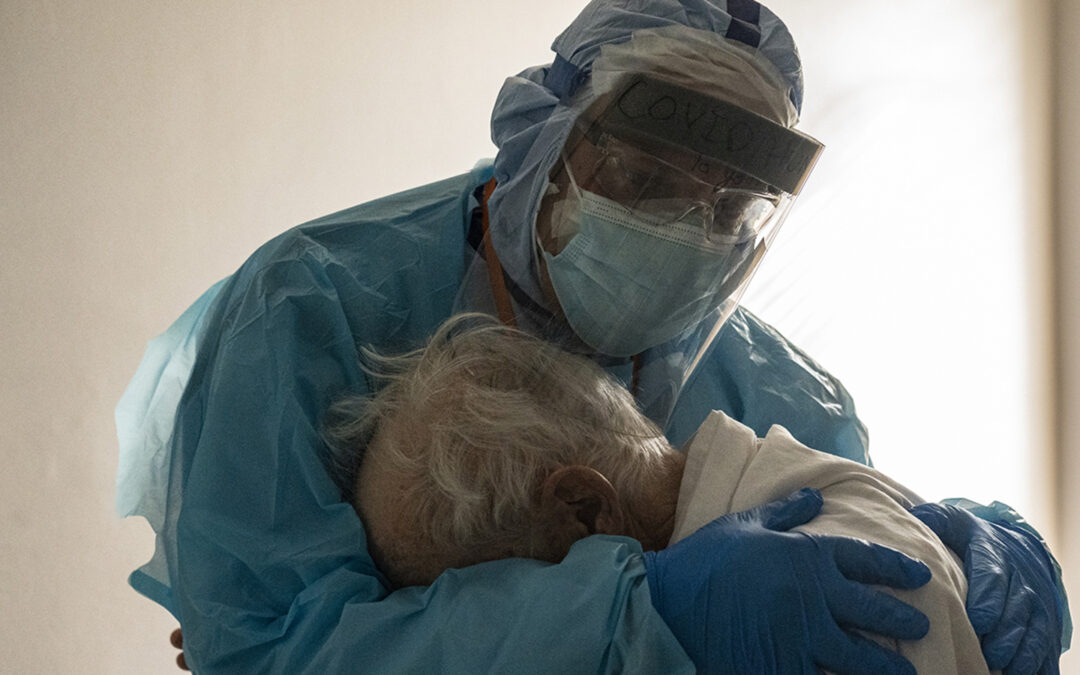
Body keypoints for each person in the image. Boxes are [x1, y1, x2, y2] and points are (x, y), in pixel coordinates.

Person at [118, 0, 1068, 673]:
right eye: (648, 180)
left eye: (732, 208)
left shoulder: (781, 397)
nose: (687, 230)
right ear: (541, 138)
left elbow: (869, 586)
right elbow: (271, 648)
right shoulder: (311, 308)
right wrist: (638, 611)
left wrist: (975, 551)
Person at [325, 312, 1010, 674]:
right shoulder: (785, 485)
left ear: (585, 510)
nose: (513, 636)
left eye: (489, 598)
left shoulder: (839, 602)